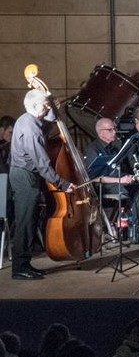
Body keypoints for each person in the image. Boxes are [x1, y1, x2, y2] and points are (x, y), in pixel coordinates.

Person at [9, 89, 74, 280]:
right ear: (36, 106)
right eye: (45, 105)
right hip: (25, 176)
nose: (48, 107)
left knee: (29, 220)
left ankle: (25, 264)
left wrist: (52, 106)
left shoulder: (30, 119)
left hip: (27, 175)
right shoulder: (31, 128)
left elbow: (52, 119)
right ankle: (20, 268)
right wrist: (62, 184)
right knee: (25, 222)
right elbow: (43, 164)